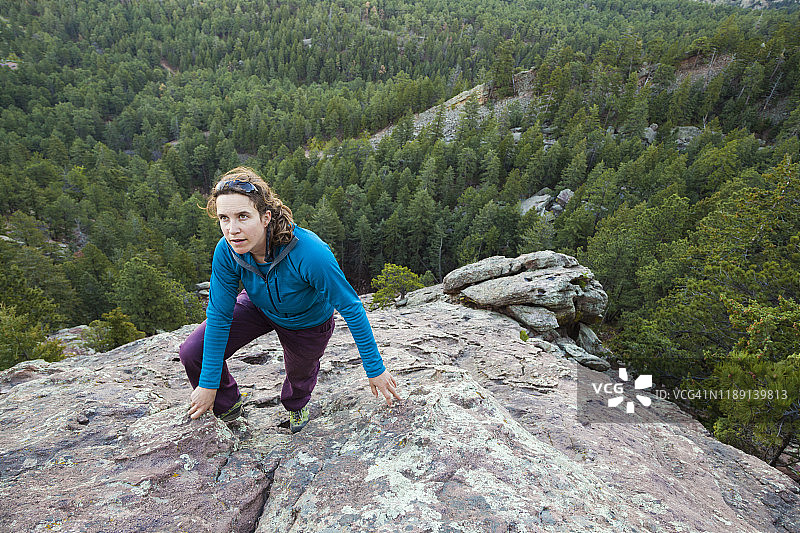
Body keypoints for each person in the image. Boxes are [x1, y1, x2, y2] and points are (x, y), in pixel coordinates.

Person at [179, 166, 400, 433]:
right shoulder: (227, 251)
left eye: (243, 216)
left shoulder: (309, 252)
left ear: (265, 217)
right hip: (259, 305)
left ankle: (296, 406)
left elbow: (351, 307)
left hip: (307, 321)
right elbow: (219, 315)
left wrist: (375, 368)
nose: (232, 229)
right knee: (193, 352)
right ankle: (228, 405)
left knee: (299, 376)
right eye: (224, 218)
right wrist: (208, 383)